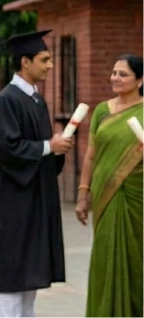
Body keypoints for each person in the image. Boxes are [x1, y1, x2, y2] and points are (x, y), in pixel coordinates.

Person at [0, 30, 74, 317]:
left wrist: (55, 150)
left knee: (29, 274)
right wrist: (49, 145)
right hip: (12, 202)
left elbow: (39, 150)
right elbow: (5, 150)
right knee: (12, 274)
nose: (49, 65)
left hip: (34, 198)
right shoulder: (6, 100)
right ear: (25, 62)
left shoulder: (36, 100)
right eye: (44, 59)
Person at [75, 53, 143, 317]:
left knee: (137, 260)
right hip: (106, 195)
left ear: (140, 80)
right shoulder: (102, 111)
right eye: (114, 72)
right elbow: (91, 154)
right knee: (105, 256)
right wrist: (83, 193)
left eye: (123, 74)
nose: (115, 78)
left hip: (138, 196)